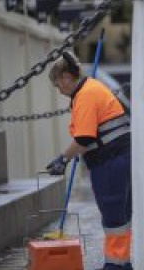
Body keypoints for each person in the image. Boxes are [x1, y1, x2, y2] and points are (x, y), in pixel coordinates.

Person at [46, 51, 132, 270]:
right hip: (119, 159)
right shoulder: (91, 88)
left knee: (114, 216)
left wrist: (63, 158)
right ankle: (121, 263)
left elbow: (84, 137)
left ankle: (115, 265)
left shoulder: (85, 95)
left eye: (58, 85)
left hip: (110, 162)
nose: (60, 91)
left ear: (66, 76)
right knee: (121, 216)